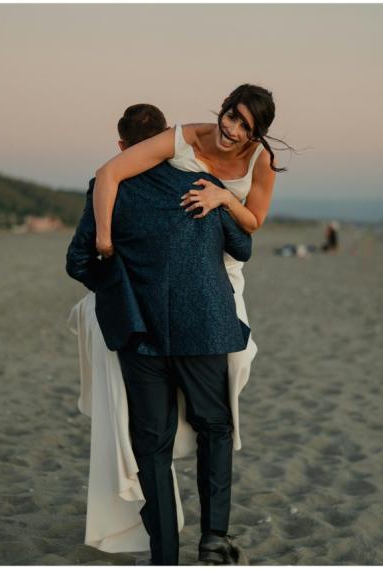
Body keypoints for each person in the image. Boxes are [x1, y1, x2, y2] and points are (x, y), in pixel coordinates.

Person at [66, 103, 253, 565]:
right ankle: (213, 538)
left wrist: (119, 287)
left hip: (139, 333)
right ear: (170, 141)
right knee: (215, 426)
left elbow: (79, 262)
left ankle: (164, 555)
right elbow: (243, 246)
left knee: (152, 444)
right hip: (203, 327)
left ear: (122, 147)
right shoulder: (200, 185)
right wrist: (225, 200)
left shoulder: (106, 190)